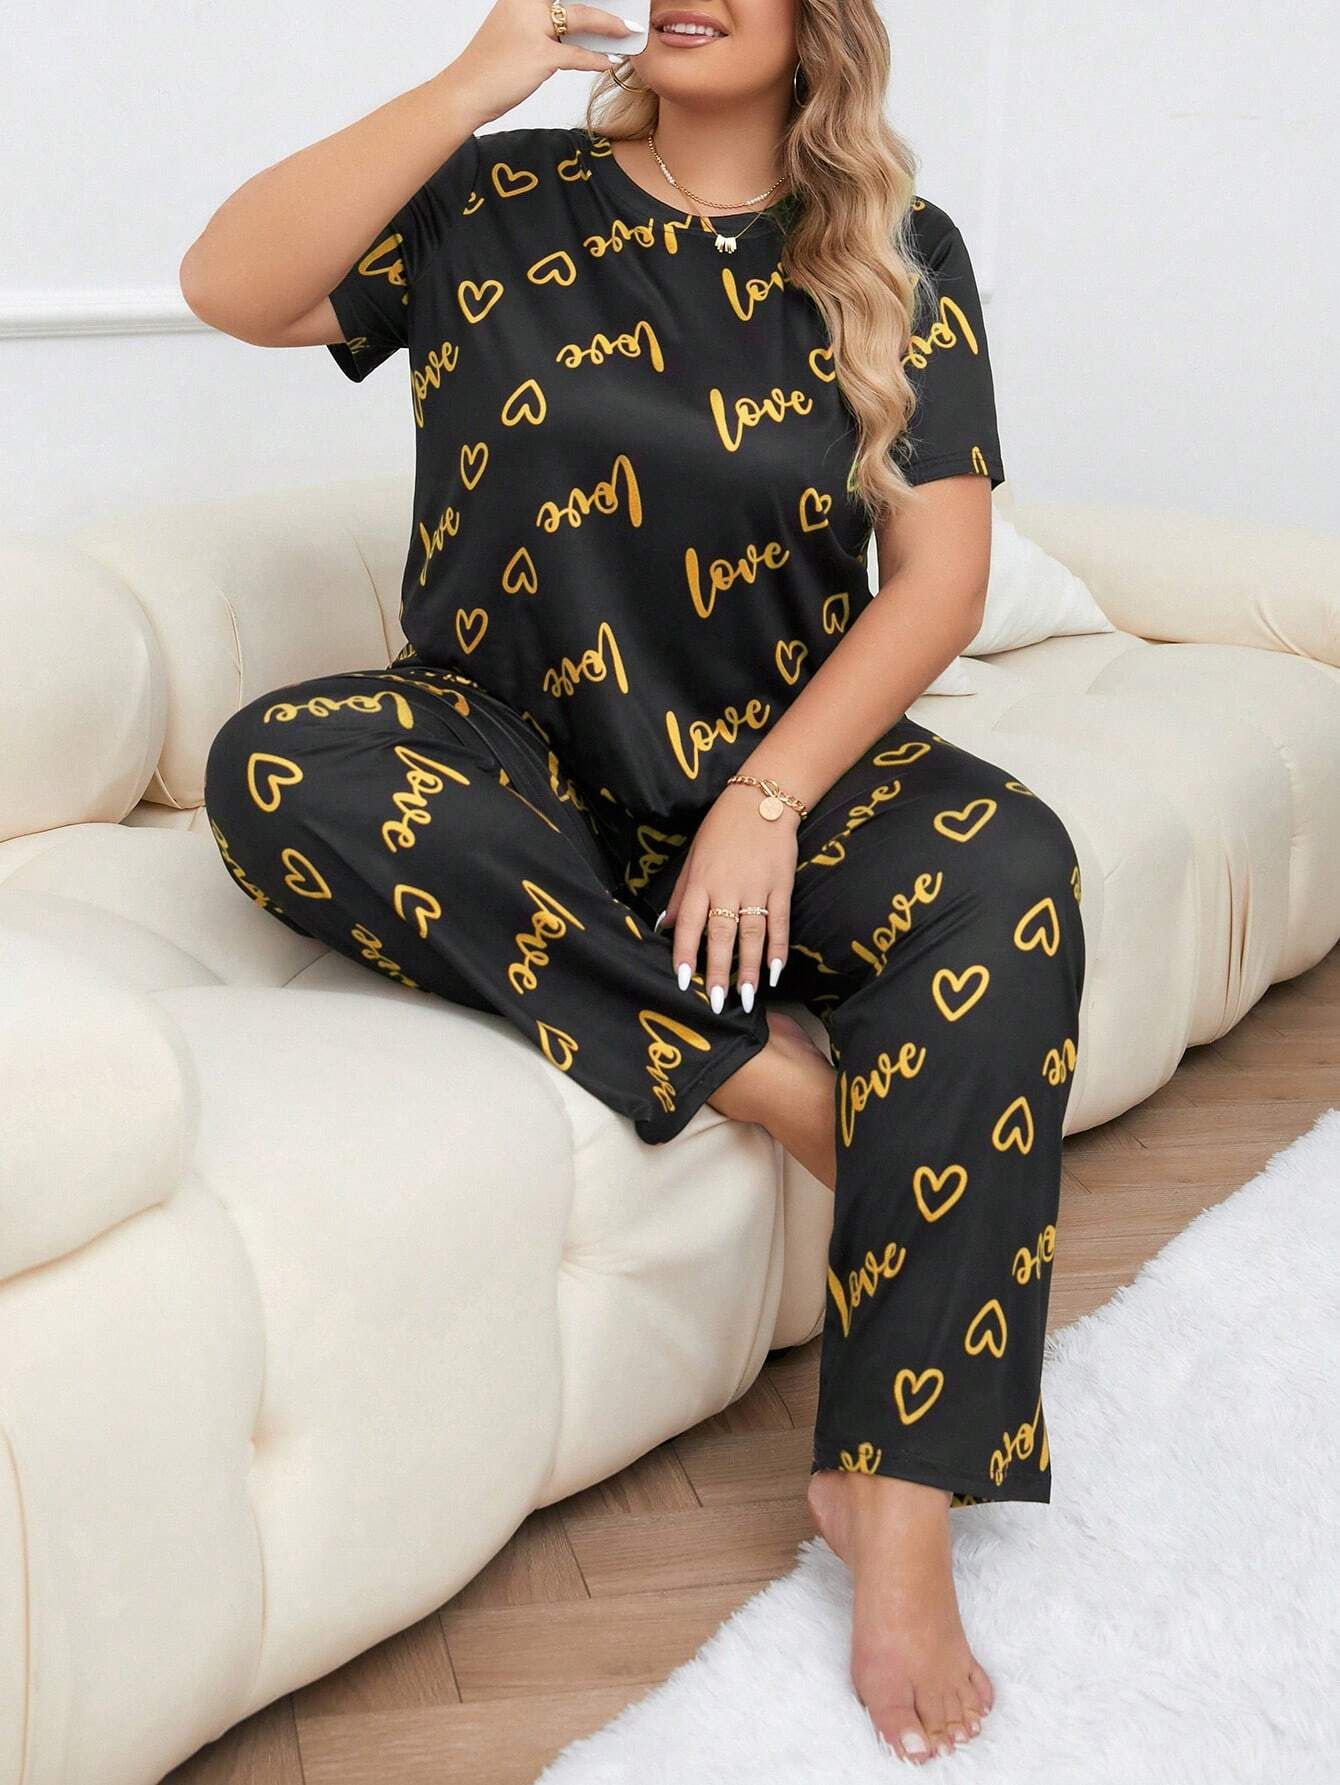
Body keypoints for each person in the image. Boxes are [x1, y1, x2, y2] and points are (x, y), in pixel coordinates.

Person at [180, 0, 1085, 1764]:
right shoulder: (495, 196)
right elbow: (232, 285)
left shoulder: (896, 249)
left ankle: (892, 1502)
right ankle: (765, 1078)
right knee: (276, 761)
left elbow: (941, 578)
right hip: (505, 758)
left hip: (776, 763)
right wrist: (471, 83)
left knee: (1013, 867)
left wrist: (768, 795)